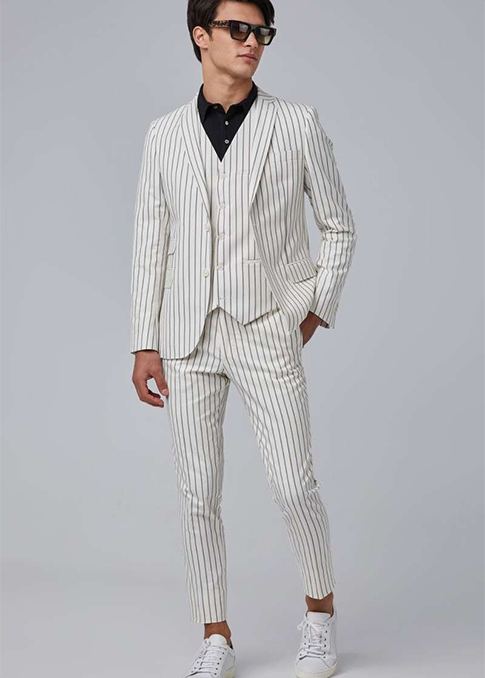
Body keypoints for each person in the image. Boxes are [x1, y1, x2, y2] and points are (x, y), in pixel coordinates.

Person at [130, 1, 357, 676]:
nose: (253, 41)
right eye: (238, 29)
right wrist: (144, 341)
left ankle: (319, 618)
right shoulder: (163, 135)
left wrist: (313, 307)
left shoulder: (296, 123)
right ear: (200, 36)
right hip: (187, 335)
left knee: (293, 484)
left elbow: (339, 226)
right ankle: (216, 636)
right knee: (198, 493)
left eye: (261, 32)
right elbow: (151, 243)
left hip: (266, 326)